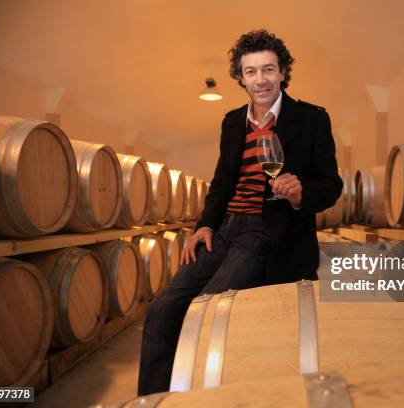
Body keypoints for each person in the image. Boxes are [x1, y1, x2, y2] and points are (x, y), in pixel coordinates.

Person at [138, 29, 342, 395]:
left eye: (268, 69)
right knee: (162, 309)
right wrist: (203, 226)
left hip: (268, 233)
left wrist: (300, 194)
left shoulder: (311, 119)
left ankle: (194, 398)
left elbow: (331, 184)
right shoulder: (233, 122)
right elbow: (221, 183)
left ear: (282, 73)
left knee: (205, 312)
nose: (260, 79)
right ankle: (153, 401)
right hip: (225, 231)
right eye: (251, 72)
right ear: (241, 78)